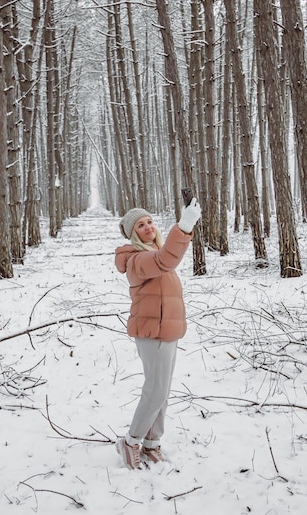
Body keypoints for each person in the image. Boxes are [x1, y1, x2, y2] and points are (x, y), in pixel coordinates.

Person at [114, 199, 201, 469]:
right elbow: (165, 260)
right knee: (155, 391)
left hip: (168, 332)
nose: (148, 226)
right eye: (140, 225)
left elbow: (165, 260)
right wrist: (184, 226)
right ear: (133, 234)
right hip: (152, 335)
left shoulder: (156, 252)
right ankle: (130, 441)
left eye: (149, 221)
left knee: (162, 392)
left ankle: (152, 443)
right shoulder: (137, 260)